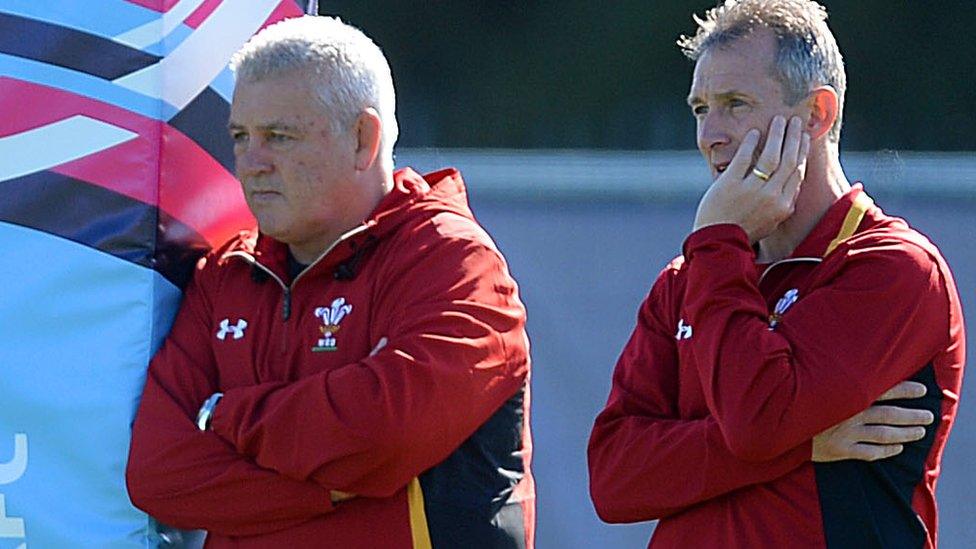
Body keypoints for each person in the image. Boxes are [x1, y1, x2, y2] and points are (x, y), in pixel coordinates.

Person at [126, 16, 534, 548]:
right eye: (240, 136)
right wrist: (337, 486)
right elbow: (159, 473)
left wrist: (222, 414)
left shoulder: (455, 263)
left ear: (364, 139)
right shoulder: (226, 275)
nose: (251, 163)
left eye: (279, 136)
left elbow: (383, 433)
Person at [587, 1, 965, 547]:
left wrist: (718, 242)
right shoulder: (687, 278)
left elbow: (757, 420)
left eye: (735, 105)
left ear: (816, 115)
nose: (709, 135)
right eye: (700, 109)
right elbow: (614, 479)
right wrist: (804, 446)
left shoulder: (894, 269)